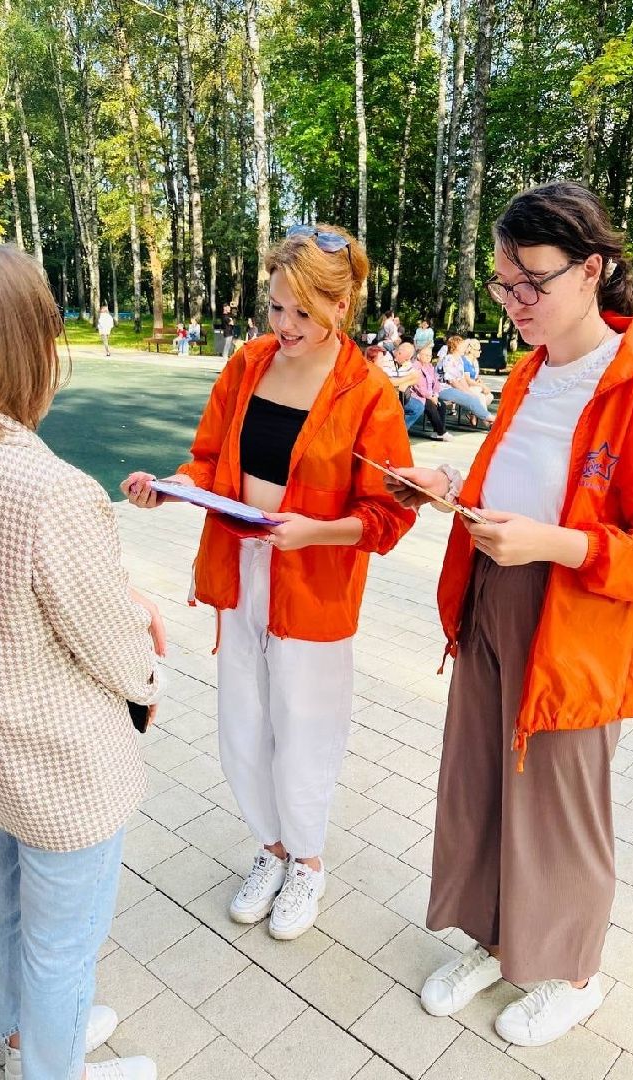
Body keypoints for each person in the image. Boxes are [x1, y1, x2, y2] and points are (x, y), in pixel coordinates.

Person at [384, 181, 633, 1048]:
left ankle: (574, 972)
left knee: (563, 806)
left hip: (579, 619)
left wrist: (557, 546)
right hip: (495, 592)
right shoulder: (531, 369)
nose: (515, 301)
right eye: (502, 283)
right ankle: (500, 941)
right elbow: (524, 479)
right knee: (483, 781)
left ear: (592, 271)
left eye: (532, 280)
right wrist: (450, 488)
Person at [0, 240, 166, 1080]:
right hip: (64, 766)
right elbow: (113, 643)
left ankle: (18, 1032)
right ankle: (50, 1066)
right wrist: (148, 683)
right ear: (24, 344)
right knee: (64, 941)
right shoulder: (46, 487)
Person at [122, 223, 416, 940]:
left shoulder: (368, 392)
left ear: (340, 308)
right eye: (275, 307)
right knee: (242, 723)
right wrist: (171, 487)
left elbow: (387, 514)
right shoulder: (249, 363)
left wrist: (314, 531)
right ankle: (271, 849)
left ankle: (308, 863)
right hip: (240, 567)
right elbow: (208, 458)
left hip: (314, 582)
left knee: (307, 726)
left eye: (300, 313)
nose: (282, 325)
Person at [439, 335, 494, 426]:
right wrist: (466, 391)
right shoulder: (449, 359)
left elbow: (461, 379)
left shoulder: (459, 360)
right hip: (444, 388)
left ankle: (487, 421)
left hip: (453, 388)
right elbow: (452, 381)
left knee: (474, 397)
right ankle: (489, 419)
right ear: (456, 347)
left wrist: (468, 391)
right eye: (462, 345)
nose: (464, 347)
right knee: (472, 399)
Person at [409, 345, 453, 442]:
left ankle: (436, 432)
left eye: (430, 355)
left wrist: (435, 395)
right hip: (418, 396)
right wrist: (430, 396)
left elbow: (436, 382)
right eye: (426, 355)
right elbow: (418, 386)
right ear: (419, 356)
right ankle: (442, 432)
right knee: (431, 406)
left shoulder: (429, 366)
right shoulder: (415, 367)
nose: (428, 357)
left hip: (430, 395)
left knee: (442, 405)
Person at [461, 338, 494, 412]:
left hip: (474, 386)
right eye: (478, 350)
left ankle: (473, 413)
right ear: (471, 350)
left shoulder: (475, 362)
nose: (480, 352)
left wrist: (484, 386)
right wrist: (482, 386)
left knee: (489, 396)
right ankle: (486, 419)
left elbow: (477, 377)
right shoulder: (465, 361)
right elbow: (468, 380)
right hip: (465, 386)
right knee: (481, 397)